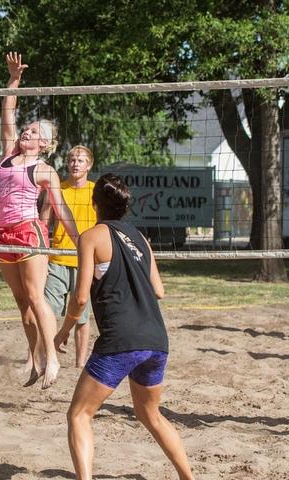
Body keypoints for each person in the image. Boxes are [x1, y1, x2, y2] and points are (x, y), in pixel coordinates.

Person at [54, 174, 193, 480]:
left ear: (95, 204)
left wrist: (63, 331)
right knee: (149, 414)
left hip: (122, 339)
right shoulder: (141, 239)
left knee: (79, 414)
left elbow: (79, 298)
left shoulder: (90, 237)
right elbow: (159, 290)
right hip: (156, 339)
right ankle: (188, 478)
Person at [0, 52, 78, 389]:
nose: (25, 132)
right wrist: (14, 80)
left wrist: (79, 240)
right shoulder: (7, 155)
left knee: (35, 296)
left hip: (29, 233)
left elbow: (61, 209)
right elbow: (7, 111)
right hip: (3, 236)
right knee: (21, 303)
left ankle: (53, 357)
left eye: (32, 131)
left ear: (43, 143)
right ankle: (34, 360)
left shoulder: (43, 170)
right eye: (25, 130)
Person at [41, 145, 97, 368]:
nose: (75, 163)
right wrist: (42, 251)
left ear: (89, 165)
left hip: (85, 261)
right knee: (48, 311)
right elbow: (44, 219)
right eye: (72, 159)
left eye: (81, 160)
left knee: (82, 317)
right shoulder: (57, 189)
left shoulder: (96, 191)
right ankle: (47, 355)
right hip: (57, 259)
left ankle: (80, 364)